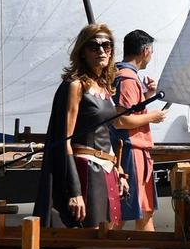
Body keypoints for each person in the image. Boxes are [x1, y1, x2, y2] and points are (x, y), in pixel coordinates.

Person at [34, 24, 126, 229]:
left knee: (110, 233)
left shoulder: (104, 86)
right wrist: (75, 191)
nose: (101, 51)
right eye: (93, 46)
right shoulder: (76, 86)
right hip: (87, 169)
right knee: (91, 236)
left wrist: (118, 170)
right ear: (82, 52)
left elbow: (105, 132)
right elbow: (64, 141)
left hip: (107, 169)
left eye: (106, 45)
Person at [112, 29, 169, 231]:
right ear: (145, 50)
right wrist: (153, 116)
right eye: (151, 52)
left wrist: (149, 94)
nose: (151, 56)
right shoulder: (127, 78)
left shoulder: (124, 75)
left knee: (142, 209)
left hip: (133, 151)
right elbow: (121, 120)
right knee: (128, 211)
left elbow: (129, 112)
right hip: (130, 151)